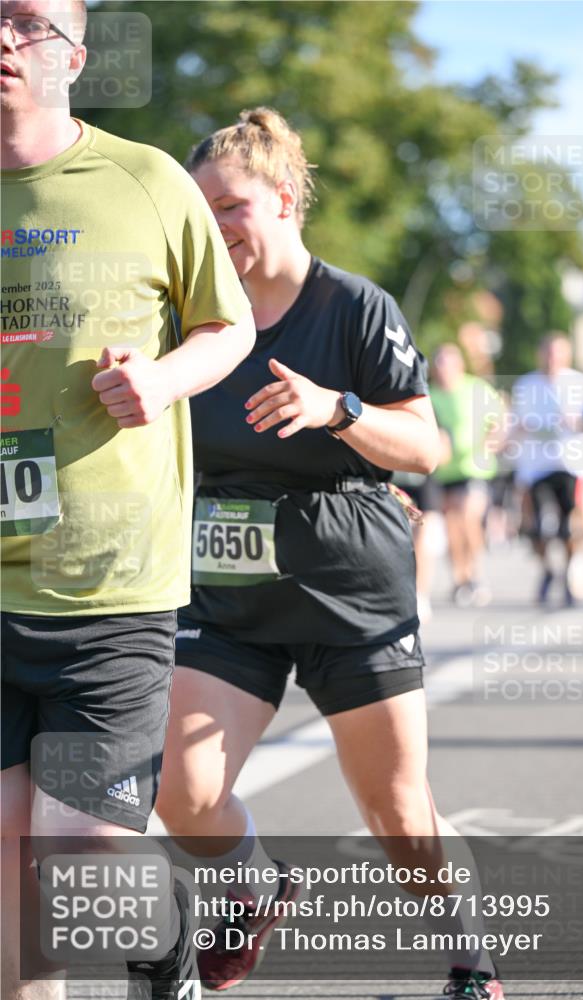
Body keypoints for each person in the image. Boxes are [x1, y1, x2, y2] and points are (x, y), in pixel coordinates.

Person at [155, 108, 505, 1000]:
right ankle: (257, 880)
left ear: (283, 202)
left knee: (397, 815)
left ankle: (472, 968)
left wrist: (336, 410)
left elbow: (425, 449)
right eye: (201, 210)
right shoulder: (190, 319)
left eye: (230, 206)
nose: (215, 226)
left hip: (350, 592)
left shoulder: (353, 307)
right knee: (180, 786)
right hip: (230, 594)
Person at [0, 3, 254, 998]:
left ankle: (171, 951)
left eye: (23, 22)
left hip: (108, 588)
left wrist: (159, 381)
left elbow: (224, 328)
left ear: (76, 52)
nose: (0, 39)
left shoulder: (147, 181)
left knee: (79, 857)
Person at [510, 333, 583, 606]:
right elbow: (514, 422)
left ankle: (570, 572)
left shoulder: (582, 385)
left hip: (571, 465)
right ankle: (548, 569)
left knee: (569, 527)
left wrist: (579, 423)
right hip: (536, 467)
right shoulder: (525, 385)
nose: (552, 359)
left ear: (567, 355)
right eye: (548, 352)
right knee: (535, 529)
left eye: (558, 353)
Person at [429, 343, 504, 607]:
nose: (443, 370)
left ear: (459, 365)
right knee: (451, 525)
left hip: (475, 469)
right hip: (444, 471)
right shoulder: (429, 395)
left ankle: (477, 573)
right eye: (439, 364)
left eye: (448, 364)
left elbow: (499, 422)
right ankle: (460, 578)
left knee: (467, 515)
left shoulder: (476, 389)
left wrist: (489, 443)